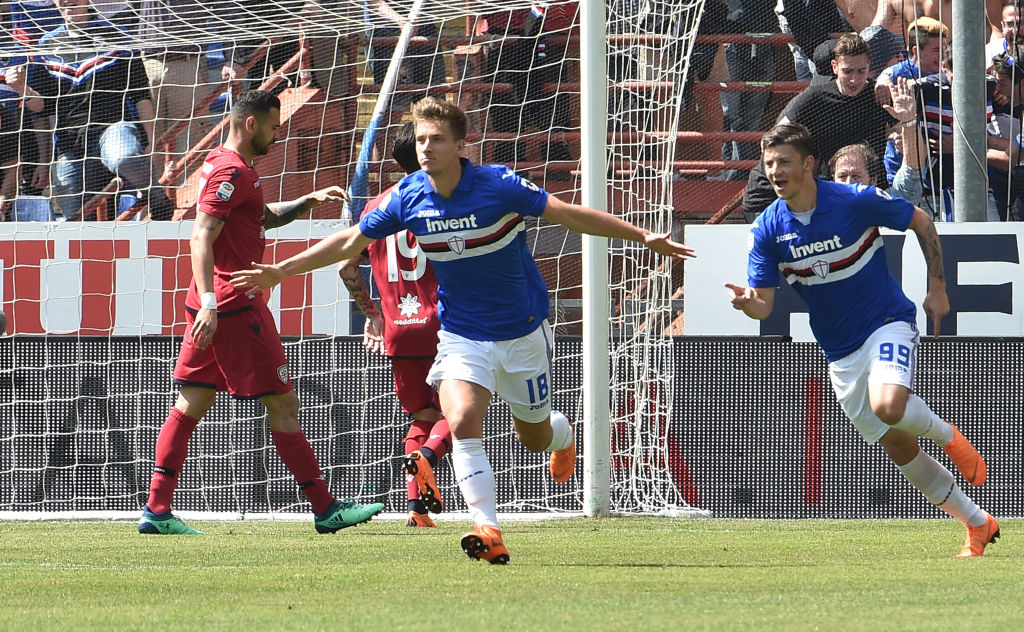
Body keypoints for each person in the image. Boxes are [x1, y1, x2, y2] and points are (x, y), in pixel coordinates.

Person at [230, 96, 696, 563]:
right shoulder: (408, 196)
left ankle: (561, 435)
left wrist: (641, 235)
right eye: (420, 139)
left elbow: (567, 212)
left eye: (435, 139)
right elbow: (351, 242)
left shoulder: (497, 185)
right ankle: (488, 529)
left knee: (533, 434)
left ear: (459, 145)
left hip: (522, 333)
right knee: (460, 420)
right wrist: (280, 271)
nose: (426, 147)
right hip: (461, 333)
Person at [725, 122, 999, 558]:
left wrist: (939, 287)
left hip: (886, 321)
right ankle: (977, 523)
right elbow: (763, 305)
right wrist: (748, 303)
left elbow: (921, 221)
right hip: (839, 352)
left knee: (888, 405)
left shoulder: (853, 200)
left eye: (784, 162)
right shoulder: (766, 230)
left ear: (809, 165)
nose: (775, 170)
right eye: (769, 162)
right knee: (899, 445)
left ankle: (950, 437)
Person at [138, 89, 384, 535]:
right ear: (251, 124)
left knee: (191, 400)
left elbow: (257, 218)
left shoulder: (225, 164)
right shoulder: (229, 172)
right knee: (283, 403)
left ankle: (156, 511)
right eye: (272, 126)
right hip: (233, 305)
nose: (275, 134)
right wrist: (212, 304)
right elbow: (201, 236)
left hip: (212, 303)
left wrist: (305, 203)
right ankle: (325, 509)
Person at [337, 121, 451, 528]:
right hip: (443, 324)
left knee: (423, 414)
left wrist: (374, 315)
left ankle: (418, 511)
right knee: (459, 412)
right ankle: (427, 459)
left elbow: (347, 269)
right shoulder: (443, 198)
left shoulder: (375, 208)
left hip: (399, 329)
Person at [27, 0, 175, 220]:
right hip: (71, 145)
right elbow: (40, 109)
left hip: (114, 130)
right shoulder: (45, 45)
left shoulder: (117, 35)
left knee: (124, 157)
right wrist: (22, 88)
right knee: (76, 219)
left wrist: (153, 145)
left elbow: (140, 95)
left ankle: (156, 195)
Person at [742, 33, 894, 221]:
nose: (854, 79)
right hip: (774, 198)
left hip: (847, 197)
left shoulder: (879, 95)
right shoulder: (813, 99)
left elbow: (905, 130)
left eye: (861, 71)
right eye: (847, 71)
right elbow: (769, 143)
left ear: (869, 66)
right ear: (835, 67)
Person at [830, 77, 924, 206]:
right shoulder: (819, 209)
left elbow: (912, 171)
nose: (849, 183)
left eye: (856, 176)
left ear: (873, 180)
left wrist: (909, 121)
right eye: (842, 176)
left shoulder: (884, 205)